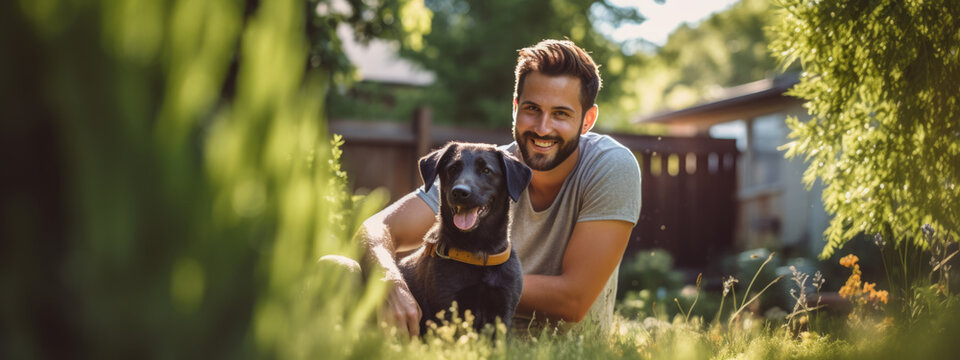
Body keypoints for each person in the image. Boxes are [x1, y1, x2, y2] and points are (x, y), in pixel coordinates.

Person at [356, 39, 641, 336]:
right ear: (515, 108)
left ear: (587, 120)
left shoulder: (609, 165)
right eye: (532, 109)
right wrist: (391, 281)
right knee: (337, 267)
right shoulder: (480, 169)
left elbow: (573, 299)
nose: (543, 128)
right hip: (459, 346)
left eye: (561, 114)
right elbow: (373, 230)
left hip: (556, 353)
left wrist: (454, 275)